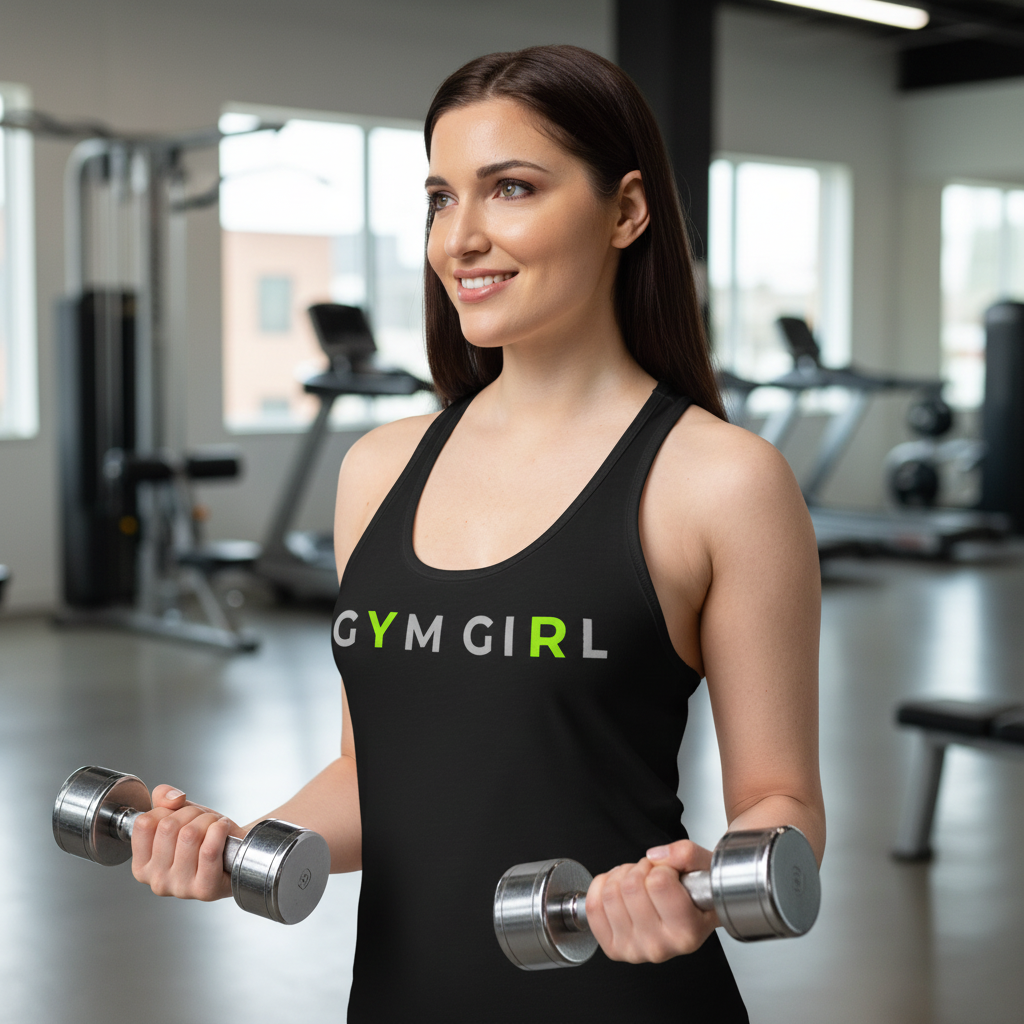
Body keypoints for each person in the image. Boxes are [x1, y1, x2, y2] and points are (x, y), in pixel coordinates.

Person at [130, 44, 824, 1022]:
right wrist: (241, 841)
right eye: (439, 199)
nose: (462, 237)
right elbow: (377, 772)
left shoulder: (720, 479)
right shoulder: (378, 467)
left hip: (620, 999)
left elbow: (783, 801)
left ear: (626, 211)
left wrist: (696, 885)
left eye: (510, 189)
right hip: (400, 997)